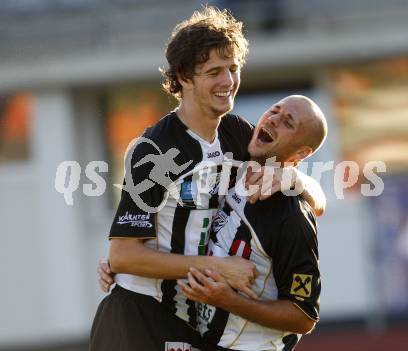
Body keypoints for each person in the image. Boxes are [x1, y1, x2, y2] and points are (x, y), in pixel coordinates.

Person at [91, 7, 324, 351]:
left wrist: (296, 180)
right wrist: (216, 266)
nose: (228, 82)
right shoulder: (154, 149)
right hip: (137, 313)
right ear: (185, 76)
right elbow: (124, 255)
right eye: (214, 72)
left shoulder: (236, 134)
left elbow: (316, 203)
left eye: (233, 69)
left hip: (189, 322)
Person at [179, 95, 326, 351]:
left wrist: (230, 301)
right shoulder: (234, 163)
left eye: (288, 122)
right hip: (200, 338)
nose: (274, 119)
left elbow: (303, 317)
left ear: (301, 153)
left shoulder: (292, 217)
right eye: (274, 110)